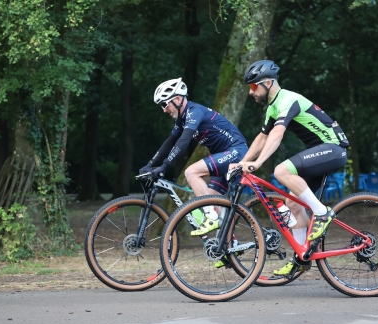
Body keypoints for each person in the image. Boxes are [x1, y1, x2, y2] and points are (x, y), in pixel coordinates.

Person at [232, 59, 349, 276]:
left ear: (267, 82)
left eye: (253, 86)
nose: (251, 92)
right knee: (292, 205)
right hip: (321, 151)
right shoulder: (273, 107)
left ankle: (322, 213)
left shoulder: (288, 99)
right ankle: (302, 258)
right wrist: (242, 164)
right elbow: (262, 137)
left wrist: (257, 163)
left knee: (281, 170)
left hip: (333, 149)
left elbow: (277, 134)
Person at [139, 77, 248, 235]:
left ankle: (210, 218)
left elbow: (184, 141)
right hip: (225, 155)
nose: (163, 109)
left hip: (236, 152)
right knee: (213, 201)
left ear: (177, 99)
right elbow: (170, 142)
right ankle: (230, 250)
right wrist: (150, 164)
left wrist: (164, 166)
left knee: (192, 172)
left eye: (164, 104)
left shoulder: (193, 111)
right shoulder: (182, 119)